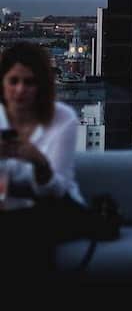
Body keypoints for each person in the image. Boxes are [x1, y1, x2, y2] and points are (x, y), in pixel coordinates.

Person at [0, 42, 85, 300]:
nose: (20, 90)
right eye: (13, 81)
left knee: (24, 229)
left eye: (29, 82)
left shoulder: (63, 119)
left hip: (53, 206)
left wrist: (39, 162)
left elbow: (57, 189)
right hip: (9, 205)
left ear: (41, 86)